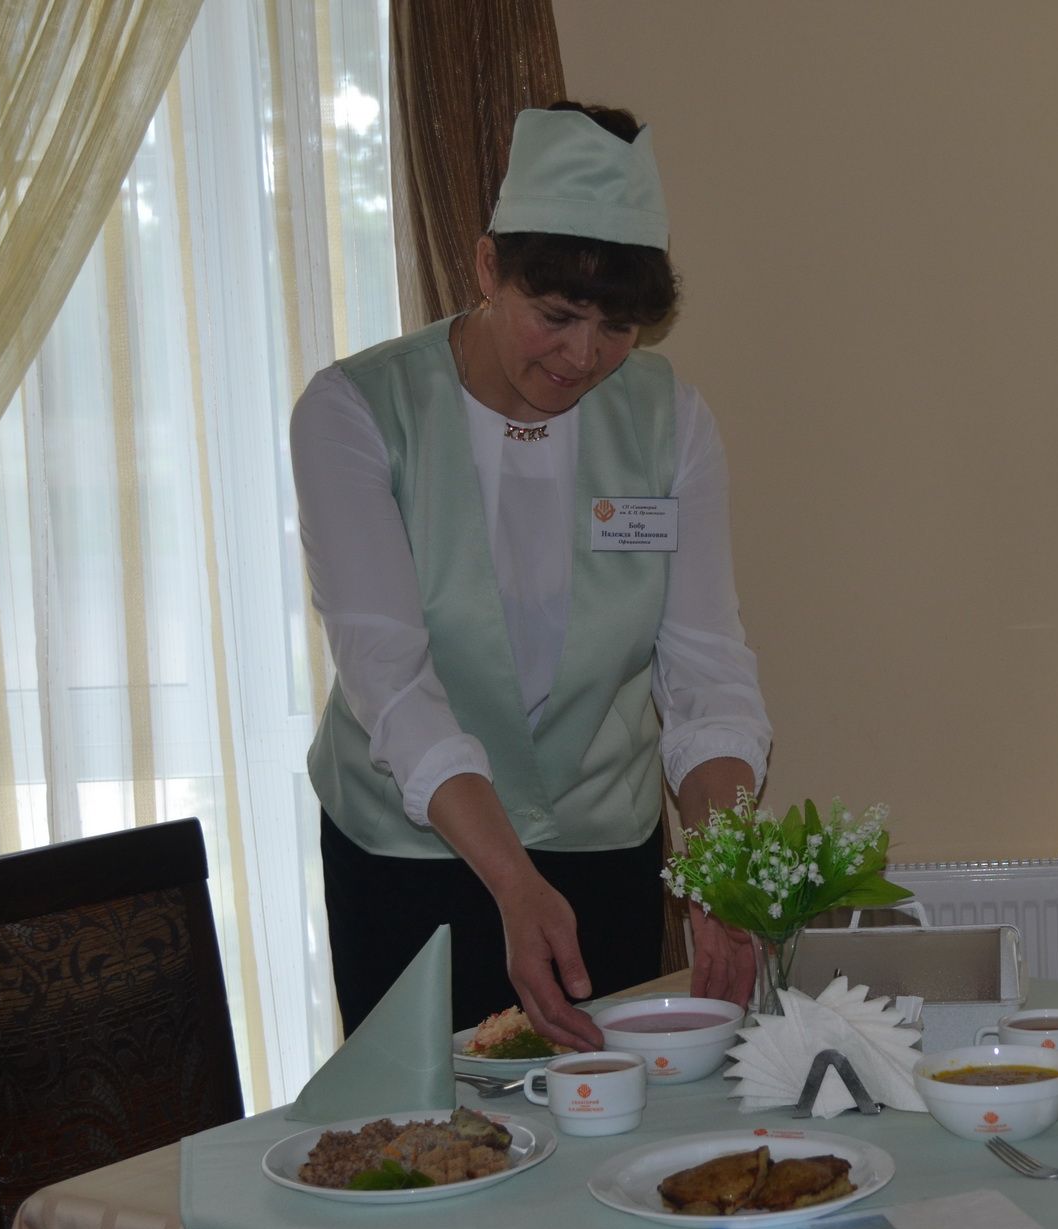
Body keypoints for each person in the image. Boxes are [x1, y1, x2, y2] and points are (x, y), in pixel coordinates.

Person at [290, 102, 769, 1049]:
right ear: (485, 269)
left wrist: (722, 874)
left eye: (617, 327)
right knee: (431, 1125)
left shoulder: (671, 422)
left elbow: (707, 672)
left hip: (603, 855)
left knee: (608, 1119)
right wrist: (512, 880)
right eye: (556, 316)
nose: (584, 357)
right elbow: (390, 679)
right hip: (412, 860)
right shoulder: (356, 412)